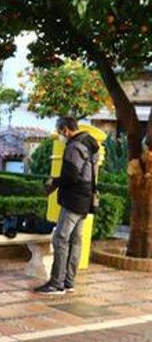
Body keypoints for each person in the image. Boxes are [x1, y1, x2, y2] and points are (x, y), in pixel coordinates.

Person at [36, 117, 100, 295]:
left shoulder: (74, 146)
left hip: (74, 199)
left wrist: (53, 183)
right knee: (76, 240)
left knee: (60, 238)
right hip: (86, 199)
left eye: (59, 132)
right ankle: (69, 282)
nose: (60, 136)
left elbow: (71, 176)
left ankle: (56, 283)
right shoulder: (91, 143)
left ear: (65, 129)